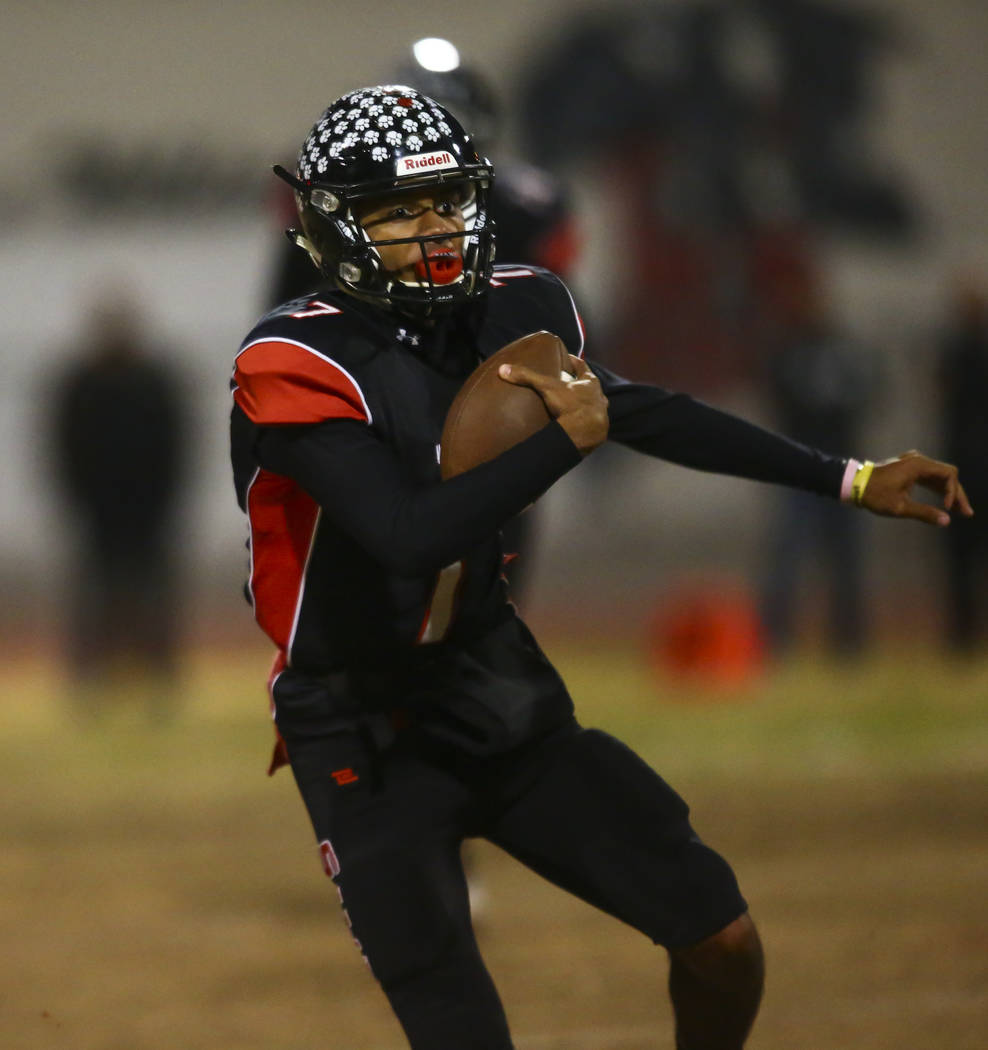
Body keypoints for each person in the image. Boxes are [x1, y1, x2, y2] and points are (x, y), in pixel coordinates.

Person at [229, 85, 971, 1050]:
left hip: (489, 674)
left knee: (721, 936)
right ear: (335, 226)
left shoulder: (519, 306)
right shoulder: (293, 357)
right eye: (395, 210)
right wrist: (559, 443)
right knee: (458, 1023)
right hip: (358, 716)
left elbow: (640, 407)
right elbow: (406, 534)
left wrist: (848, 476)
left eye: (446, 199)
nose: (433, 229)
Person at [50, 291, 187, 715]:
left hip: (148, 512)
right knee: (97, 600)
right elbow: (65, 449)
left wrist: (164, 501)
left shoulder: (152, 382)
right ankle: (92, 680)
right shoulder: (82, 384)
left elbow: (174, 448)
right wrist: (80, 501)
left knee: (152, 598)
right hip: (98, 513)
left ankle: (159, 678)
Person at [759, 275, 881, 655]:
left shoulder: (844, 352)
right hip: (803, 466)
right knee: (791, 556)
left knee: (843, 557)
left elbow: (872, 390)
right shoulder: (791, 351)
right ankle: (777, 637)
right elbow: (776, 394)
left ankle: (848, 638)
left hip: (843, 468)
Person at [935, 273, 988, 652]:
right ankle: (962, 634)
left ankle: (963, 636)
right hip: (963, 468)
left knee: (962, 559)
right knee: (961, 559)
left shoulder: (951, 354)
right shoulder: (952, 352)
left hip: (962, 467)